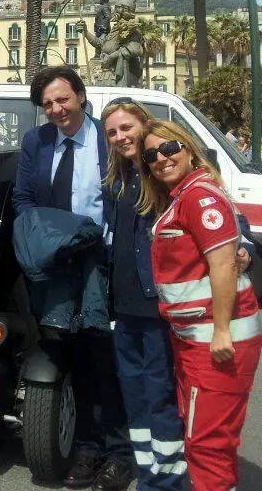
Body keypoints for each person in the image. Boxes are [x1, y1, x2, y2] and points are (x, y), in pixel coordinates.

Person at [13, 66, 133, 491]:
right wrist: (45, 239)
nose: (56, 109)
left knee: (108, 358)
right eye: (47, 104)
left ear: (80, 96)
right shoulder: (36, 142)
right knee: (75, 357)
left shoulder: (110, 139)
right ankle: (86, 449)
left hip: (102, 264)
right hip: (58, 264)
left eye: (62, 99)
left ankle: (120, 453)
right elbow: (24, 198)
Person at [139, 120, 262, 491]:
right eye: (151, 155)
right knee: (200, 438)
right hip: (195, 341)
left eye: (169, 148)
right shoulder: (182, 196)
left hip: (218, 343)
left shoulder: (199, 197)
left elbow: (223, 264)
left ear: (189, 149)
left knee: (208, 445)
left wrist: (222, 330)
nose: (161, 158)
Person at [101, 100, 187, 490]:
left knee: (160, 398)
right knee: (135, 400)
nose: (120, 137)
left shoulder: (166, 172)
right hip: (124, 309)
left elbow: (220, 211)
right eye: (112, 133)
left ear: (144, 125)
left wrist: (244, 249)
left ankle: (166, 482)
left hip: (158, 311)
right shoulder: (117, 181)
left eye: (126, 128)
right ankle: (149, 472)